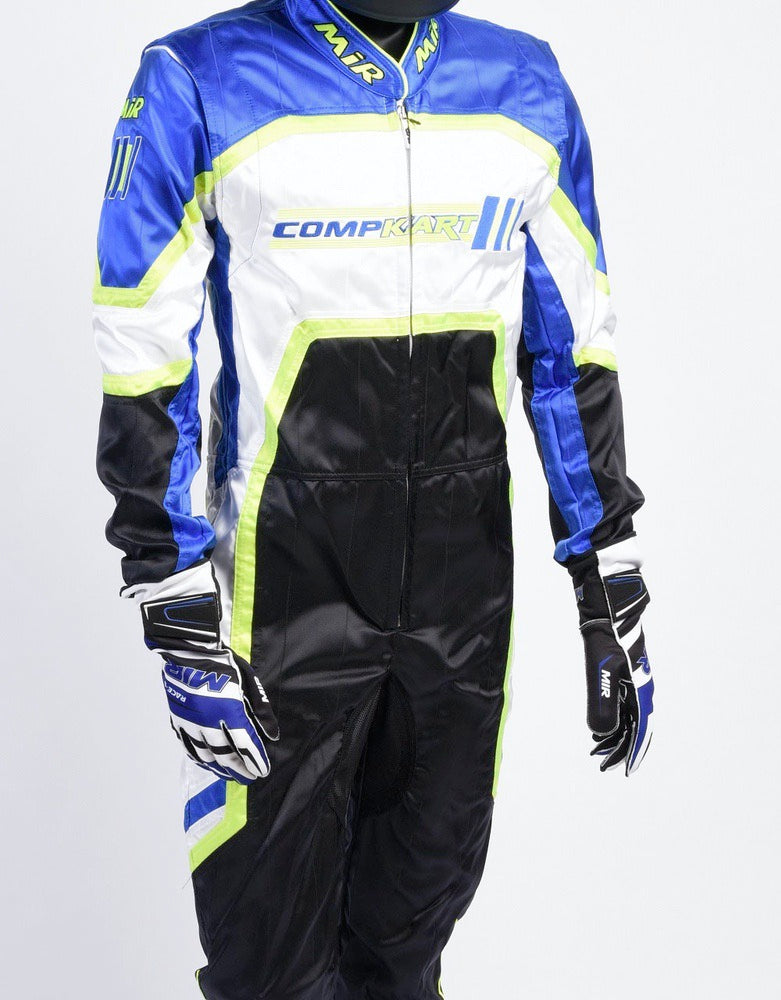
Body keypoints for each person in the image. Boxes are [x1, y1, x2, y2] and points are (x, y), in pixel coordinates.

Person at [93, 0, 655, 996]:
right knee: (267, 966)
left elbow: (570, 349)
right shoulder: (199, 77)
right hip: (280, 601)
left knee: (407, 947)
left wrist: (605, 577)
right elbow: (142, 350)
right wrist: (174, 603)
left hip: (460, 600)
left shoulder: (522, 83)